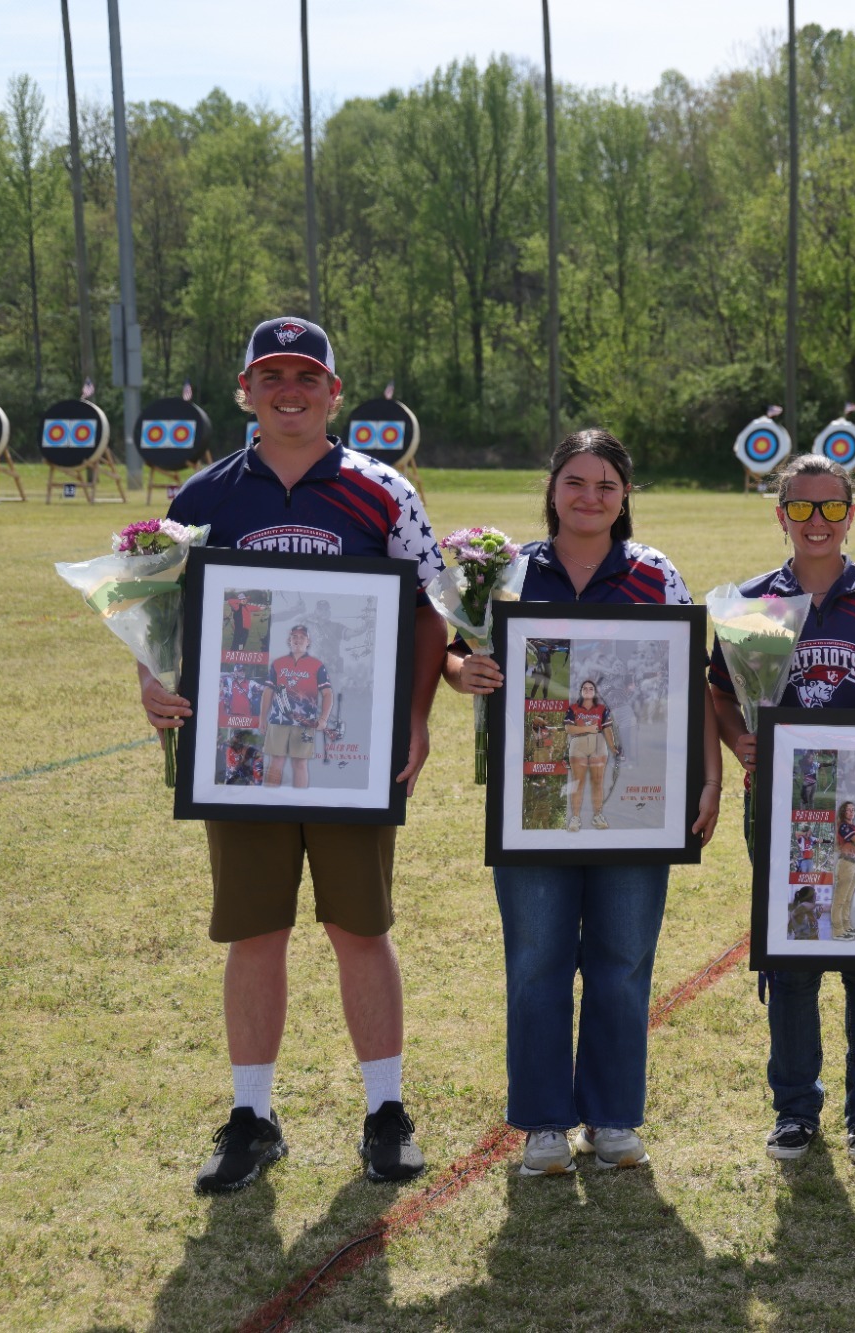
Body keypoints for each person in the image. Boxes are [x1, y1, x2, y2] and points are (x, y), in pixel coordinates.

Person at [139, 317, 446, 1193]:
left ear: (333, 393)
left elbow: (429, 610)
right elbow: (157, 608)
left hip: (350, 747)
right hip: (240, 747)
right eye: (270, 375)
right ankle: (252, 1114)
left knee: (360, 925)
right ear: (245, 389)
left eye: (305, 376)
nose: (289, 390)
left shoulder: (382, 489)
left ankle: (385, 1110)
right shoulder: (201, 497)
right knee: (254, 929)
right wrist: (149, 680)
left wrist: (417, 716)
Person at [445, 428, 722, 1177]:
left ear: (625, 494)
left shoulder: (655, 573)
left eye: (606, 483)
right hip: (531, 793)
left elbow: (689, 684)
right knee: (536, 958)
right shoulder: (504, 572)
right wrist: (457, 669)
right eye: (575, 481)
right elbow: (454, 650)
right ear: (552, 489)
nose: (590, 496)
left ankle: (611, 1118)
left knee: (623, 958)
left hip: (636, 799)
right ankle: (541, 1123)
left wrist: (710, 776)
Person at [707, 453, 855, 1166]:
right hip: (784, 801)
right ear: (780, 515)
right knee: (796, 955)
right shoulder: (751, 604)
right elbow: (718, 688)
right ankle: (795, 1109)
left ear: (851, 514)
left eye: (831, 508)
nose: (816, 522)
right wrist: (739, 736)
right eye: (800, 508)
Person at [261, 623, 334, 789]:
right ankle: (269, 802)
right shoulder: (278, 663)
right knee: (275, 762)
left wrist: (323, 719)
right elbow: (268, 692)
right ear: (289, 640)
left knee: (300, 764)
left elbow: (328, 694)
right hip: (277, 721)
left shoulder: (317, 665)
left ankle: (300, 806)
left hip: (305, 723)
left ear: (308, 641)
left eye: (302, 637)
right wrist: (262, 719)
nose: (298, 640)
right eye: (295, 637)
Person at [562, 677, 617, 832]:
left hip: (598, 743)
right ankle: (575, 818)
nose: (587, 690)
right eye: (584, 688)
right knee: (578, 782)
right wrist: (587, 729)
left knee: (597, 782)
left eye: (590, 688)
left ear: (595, 692)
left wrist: (613, 747)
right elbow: (569, 729)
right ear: (581, 692)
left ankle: (598, 815)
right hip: (578, 744)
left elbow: (607, 729)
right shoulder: (573, 708)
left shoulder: (602, 709)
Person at [832, 801, 855, 940]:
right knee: (840, 899)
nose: (852, 812)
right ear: (843, 812)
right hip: (846, 864)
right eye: (848, 810)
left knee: (848, 899)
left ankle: (846, 926)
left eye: (853, 810)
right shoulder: (843, 826)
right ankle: (837, 930)